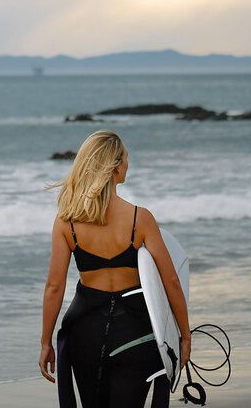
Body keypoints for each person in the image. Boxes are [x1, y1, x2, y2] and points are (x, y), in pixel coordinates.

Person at [39, 130, 191, 408]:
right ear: (114, 166)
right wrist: (184, 334)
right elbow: (171, 281)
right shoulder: (140, 219)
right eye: (126, 158)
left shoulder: (67, 222)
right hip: (134, 334)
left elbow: (54, 287)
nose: (128, 164)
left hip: (85, 334)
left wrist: (45, 341)